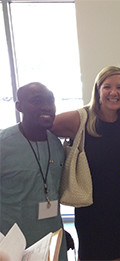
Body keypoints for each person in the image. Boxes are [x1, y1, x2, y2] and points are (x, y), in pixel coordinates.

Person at [51, 66, 120, 260]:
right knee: (93, 254)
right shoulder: (81, 119)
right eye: (107, 87)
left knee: (117, 254)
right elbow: (43, 125)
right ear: (98, 90)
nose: (113, 93)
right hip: (91, 204)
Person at [0, 82, 67, 260]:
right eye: (37, 101)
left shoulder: (57, 145)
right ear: (19, 106)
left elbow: (52, 192)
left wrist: (63, 231)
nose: (46, 106)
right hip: (10, 246)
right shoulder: (3, 144)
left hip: (52, 240)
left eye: (50, 101)